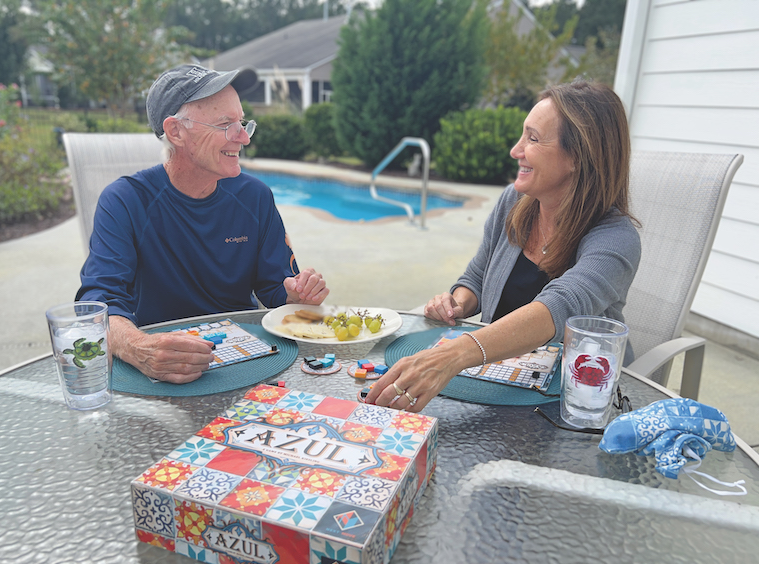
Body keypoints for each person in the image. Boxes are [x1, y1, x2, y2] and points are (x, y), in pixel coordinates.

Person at [365, 79, 641, 412]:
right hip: (497, 382)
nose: (516, 150)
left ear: (577, 158)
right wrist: (457, 303)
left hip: (575, 401)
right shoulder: (516, 202)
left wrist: (453, 355)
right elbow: (478, 276)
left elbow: (559, 307)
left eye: (533, 139)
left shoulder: (616, 239)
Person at [76, 64, 329, 383]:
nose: (242, 138)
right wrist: (140, 347)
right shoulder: (126, 201)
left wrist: (298, 294)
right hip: (161, 366)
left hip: (248, 358)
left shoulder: (254, 196)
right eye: (225, 124)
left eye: (242, 122)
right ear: (176, 131)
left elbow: (275, 289)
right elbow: (98, 304)